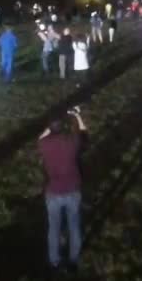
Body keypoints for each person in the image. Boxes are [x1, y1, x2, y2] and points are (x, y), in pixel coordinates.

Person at [37, 107, 89, 272]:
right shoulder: (72, 141)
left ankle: (55, 261)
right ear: (63, 126)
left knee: (54, 228)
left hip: (53, 192)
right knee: (74, 225)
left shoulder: (43, 144)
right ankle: (73, 259)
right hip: (73, 190)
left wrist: (49, 127)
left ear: (50, 127)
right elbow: (83, 131)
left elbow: (42, 136)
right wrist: (77, 115)